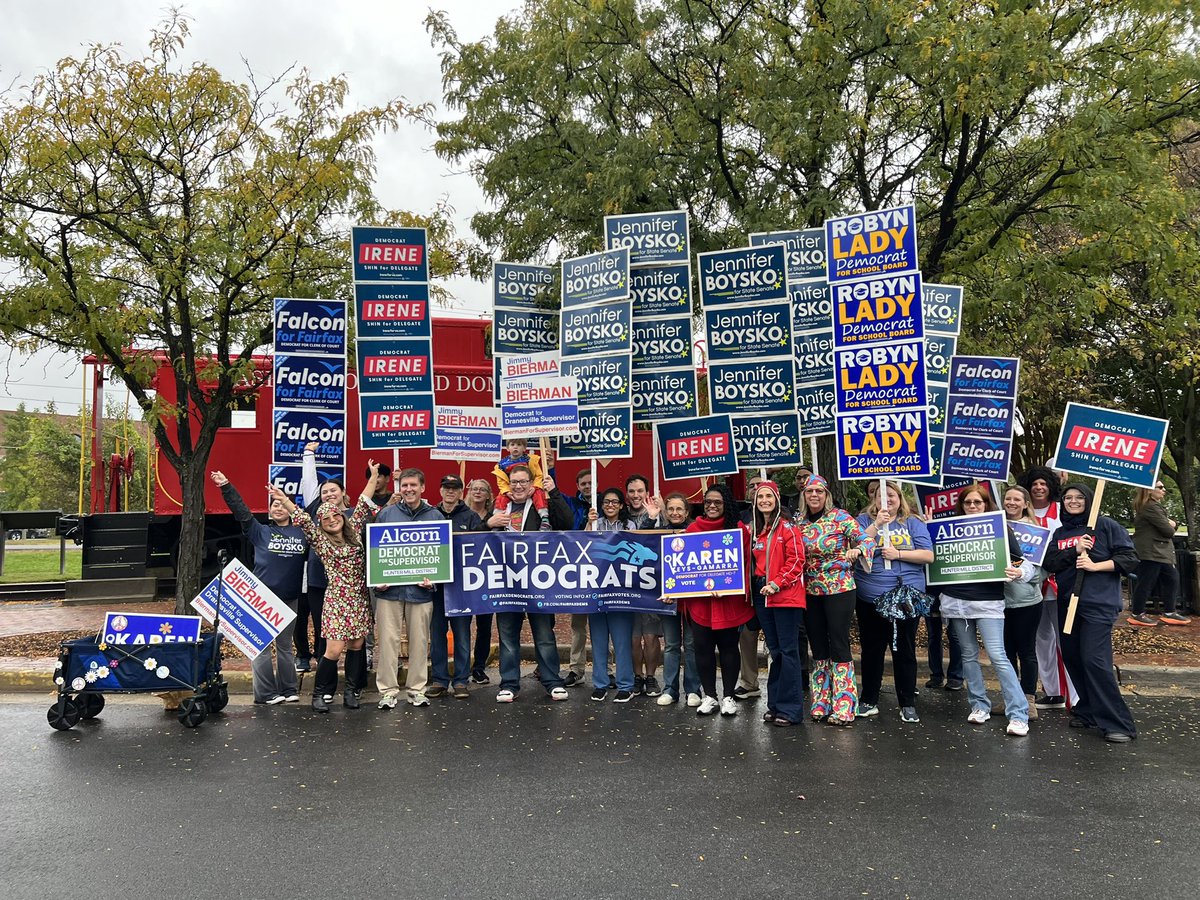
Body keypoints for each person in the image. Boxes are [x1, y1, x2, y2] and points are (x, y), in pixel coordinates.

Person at [267, 466, 378, 713]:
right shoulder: (321, 541)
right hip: (337, 601)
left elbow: (362, 502)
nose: (331, 521)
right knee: (333, 649)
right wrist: (283, 498)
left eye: (335, 517)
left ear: (342, 517)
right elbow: (303, 519)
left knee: (357, 645)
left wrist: (371, 476)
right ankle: (321, 692)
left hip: (359, 598)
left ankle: (351, 691)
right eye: (326, 519)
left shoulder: (355, 532)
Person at [1044, 483, 1140, 742]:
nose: (1073, 501)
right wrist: (1073, 551)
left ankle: (1118, 723)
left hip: (1098, 604)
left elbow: (1129, 558)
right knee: (1073, 657)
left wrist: (1096, 566)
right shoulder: (1061, 533)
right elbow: (1049, 562)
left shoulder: (1106, 526)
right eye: (1067, 498)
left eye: (1078, 497)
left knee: (1094, 660)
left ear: (1088, 499)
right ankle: (1087, 710)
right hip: (1067, 603)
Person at [940, 484, 1031, 736]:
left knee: (998, 657)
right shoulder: (950, 530)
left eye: (977, 502)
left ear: (986, 504)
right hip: (956, 602)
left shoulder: (1001, 528)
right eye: (968, 503)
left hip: (989, 602)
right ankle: (979, 706)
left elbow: (1022, 563)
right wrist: (931, 530)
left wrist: (1019, 572)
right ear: (961, 505)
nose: (972, 507)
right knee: (968, 656)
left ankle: (1018, 714)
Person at [211, 470, 306, 705]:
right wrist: (226, 486)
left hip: (290, 598)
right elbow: (242, 512)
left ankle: (289, 689)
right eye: (273, 505)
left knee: (285, 646)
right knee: (261, 647)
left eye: (282, 504)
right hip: (260, 598)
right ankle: (265, 694)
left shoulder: (302, 532)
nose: (278, 508)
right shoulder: (260, 531)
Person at [486, 463, 572, 703]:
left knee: (544, 634)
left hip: (538, 582)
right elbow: (479, 535)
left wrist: (553, 492)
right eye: (514, 482)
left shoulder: (541, 504)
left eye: (524, 481)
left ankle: (552, 681)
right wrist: (488, 523)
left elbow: (566, 522)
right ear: (508, 483)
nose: (519, 486)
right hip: (506, 584)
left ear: (531, 483)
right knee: (507, 635)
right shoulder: (499, 506)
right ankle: (509, 684)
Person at [854, 481, 933, 724]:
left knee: (905, 650)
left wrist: (898, 554)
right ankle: (869, 700)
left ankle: (907, 703)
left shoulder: (912, 522)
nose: (886, 500)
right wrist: (877, 525)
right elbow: (855, 546)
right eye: (881, 496)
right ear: (874, 499)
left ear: (900, 498)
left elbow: (928, 555)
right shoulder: (863, 521)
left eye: (891, 495)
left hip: (905, 597)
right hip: (870, 597)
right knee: (872, 650)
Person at [798, 475, 873, 725]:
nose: (814, 496)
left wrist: (858, 549)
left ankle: (843, 704)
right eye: (810, 492)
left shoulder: (840, 517)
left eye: (819, 491)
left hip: (839, 587)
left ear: (826, 494)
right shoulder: (799, 523)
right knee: (817, 645)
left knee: (838, 643)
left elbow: (866, 538)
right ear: (804, 495)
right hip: (810, 590)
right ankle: (821, 701)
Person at [681, 482, 753, 716]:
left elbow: (744, 563)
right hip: (701, 602)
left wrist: (727, 584)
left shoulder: (738, 529)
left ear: (726, 504)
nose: (712, 506)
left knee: (729, 648)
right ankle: (710, 695)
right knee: (702, 648)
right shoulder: (692, 530)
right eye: (708, 502)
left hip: (727, 601)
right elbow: (683, 565)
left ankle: (728, 696)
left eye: (717, 502)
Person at [373, 468, 443, 710]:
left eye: (413, 485)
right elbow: (375, 552)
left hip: (421, 592)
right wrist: (377, 579)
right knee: (388, 642)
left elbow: (441, 556)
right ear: (399, 488)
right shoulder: (386, 515)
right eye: (405, 486)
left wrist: (433, 580)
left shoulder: (435, 517)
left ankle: (416, 690)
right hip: (389, 592)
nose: (409, 490)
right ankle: (388, 692)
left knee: (420, 642)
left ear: (422, 487)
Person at [749, 481, 807, 726]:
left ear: (776, 499)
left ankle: (792, 710)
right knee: (775, 653)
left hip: (785, 596)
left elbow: (797, 561)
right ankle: (775, 705)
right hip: (762, 596)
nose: (764, 500)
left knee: (788, 651)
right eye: (760, 496)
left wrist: (776, 583)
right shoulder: (755, 531)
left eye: (768, 496)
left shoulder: (788, 528)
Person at [1019, 465, 1073, 710]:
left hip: (1059, 582)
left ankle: (1076, 695)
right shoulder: (1020, 513)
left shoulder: (1062, 511)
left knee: (1066, 638)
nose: (1039, 488)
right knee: (1041, 638)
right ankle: (1052, 692)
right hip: (1031, 586)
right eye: (1034, 484)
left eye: (1044, 483)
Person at [427, 474, 485, 700]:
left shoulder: (470, 517)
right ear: (440, 490)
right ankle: (440, 680)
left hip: (462, 587)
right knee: (438, 634)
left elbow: (479, 549)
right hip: (436, 587)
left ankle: (461, 680)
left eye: (455, 488)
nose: (450, 492)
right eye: (446, 488)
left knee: (462, 635)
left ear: (461, 492)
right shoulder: (430, 514)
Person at [296, 442, 352, 674]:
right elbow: (309, 482)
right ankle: (322, 665)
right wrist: (309, 455)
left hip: (345, 581)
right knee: (321, 623)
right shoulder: (314, 510)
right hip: (319, 578)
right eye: (325, 491)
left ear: (343, 493)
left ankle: (352, 664)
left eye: (333, 490)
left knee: (348, 627)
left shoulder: (353, 515)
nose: (329, 494)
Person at [586, 488, 638, 703]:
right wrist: (589, 525)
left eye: (615, 502)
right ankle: (600, 683)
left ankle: (626, 684)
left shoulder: (629, 526)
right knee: (598, 641)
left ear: (621, 505)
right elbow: (582, 546)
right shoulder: (594, 524)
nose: (610, 505)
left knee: (622, 641)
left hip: (621, 592)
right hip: (597, 590)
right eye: (606, 502)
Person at [1002, 485, 1048, 719]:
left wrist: (1023, 574)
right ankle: (1011, 699)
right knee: (1005, 653)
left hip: (1027, 601)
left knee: (1026, 651)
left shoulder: (1035, 530)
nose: (1011, 502)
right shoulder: (995, 526)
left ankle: (1029, 699)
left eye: (1016, 499)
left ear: (1025, 503)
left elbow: (1042, 569)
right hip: (999, 601)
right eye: (1007, 498)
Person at [657, 492, 702, 706]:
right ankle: (669, 689)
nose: (675, 513)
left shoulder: (696, 532)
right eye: (671, 509)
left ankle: (693, 690)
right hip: (668, 599)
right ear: (666, 512)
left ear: (687, 512)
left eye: (679, 509)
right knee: (671, 645)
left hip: (691, 600)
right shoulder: (657, 533)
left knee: (692, 644)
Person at [1130, 481, 1191, 626]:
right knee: (1146, 582)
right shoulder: (1151, 506)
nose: (1164, 490)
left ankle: (1170, 612)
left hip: (1158, 552)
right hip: (1152, 551)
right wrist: (1173, 524)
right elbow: (1168, 531)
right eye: (1160, 487)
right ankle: (1136, 614)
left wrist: (1169, 522)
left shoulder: (1151, 506)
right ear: (1150, 490)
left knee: (1171, 578)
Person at [464, 478, 496, 683]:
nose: (477, 492)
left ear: (488, 494)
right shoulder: (462, 513)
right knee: (463, 624)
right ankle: (463, 665)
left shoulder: (496, 514)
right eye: (474, 488)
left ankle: (479, 667)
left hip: (488, 575)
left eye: (482, 489)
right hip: (465, 575)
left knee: (484, 626)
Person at [491, 437, 550, 527]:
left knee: (540, 494)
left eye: (519, 445)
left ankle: (544, 518)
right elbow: (501, 481)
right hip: (511, 489)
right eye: (512, 445)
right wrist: (506, 491)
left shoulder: (531, 460)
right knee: (500, 498)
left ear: (524, 448)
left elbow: (539, 475)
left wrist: (534, 487)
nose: (515, 447)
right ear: (507, 448)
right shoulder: (501, 464)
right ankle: (498, 521)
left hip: (529, 487)